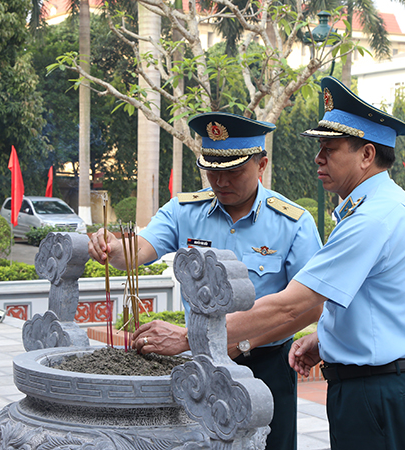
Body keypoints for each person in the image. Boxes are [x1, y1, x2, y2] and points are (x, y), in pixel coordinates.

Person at [220, 76, 405, 450]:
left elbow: (293, 305)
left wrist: (195, 337)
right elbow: (378, 302)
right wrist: (326, 340)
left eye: (330, 148)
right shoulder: (382, 207)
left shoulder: (373, 218)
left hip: (375, 390)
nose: (318, 158)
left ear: (367, 155)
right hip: (376, 385)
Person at [88, 112, 323, 450]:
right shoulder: (184, 210)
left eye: (233, 171)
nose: (221, 181)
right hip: (198, 367)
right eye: (212, 170)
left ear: (262, 165)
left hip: (265, 366)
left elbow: (310, 307)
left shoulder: (293, 223)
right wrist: (111, 246)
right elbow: (137, 250)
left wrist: (240, 344)